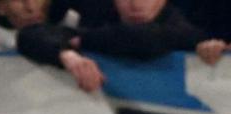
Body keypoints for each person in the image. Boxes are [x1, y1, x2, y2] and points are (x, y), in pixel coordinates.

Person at [17, 0, 222, 92]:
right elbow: (29, 35)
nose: (135, 4)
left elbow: (146, 39)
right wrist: (67, 56)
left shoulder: (185, 31)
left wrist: (212, 49)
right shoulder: (99, 18)